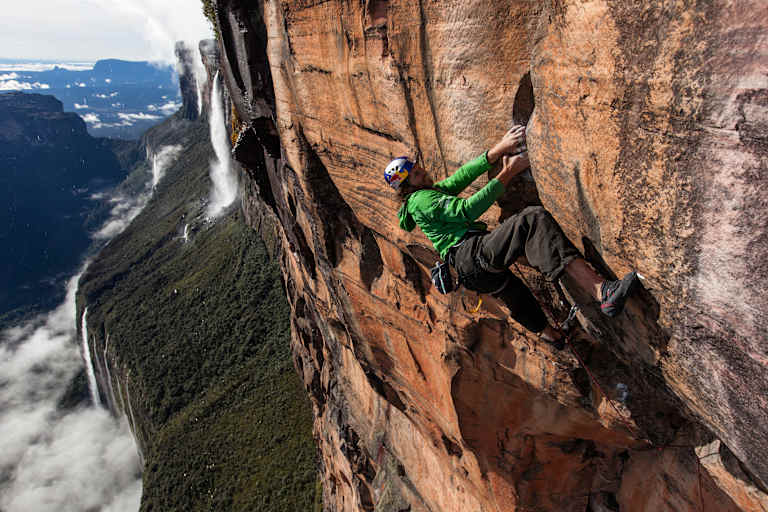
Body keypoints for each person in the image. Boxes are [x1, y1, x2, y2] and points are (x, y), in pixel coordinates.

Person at [384, 125, 638, 348]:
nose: (423, 172)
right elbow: (466, 210)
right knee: (533, 218)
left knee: (515, 295)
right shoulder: (421, 199)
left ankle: (551, 335)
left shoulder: (425, 194)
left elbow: (459, 179)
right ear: (406, 187)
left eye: (418, 168)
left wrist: (496, 151)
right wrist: (508, 172)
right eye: (416, 174)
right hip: (470, 254)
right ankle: (602, 291)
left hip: (470, 272)